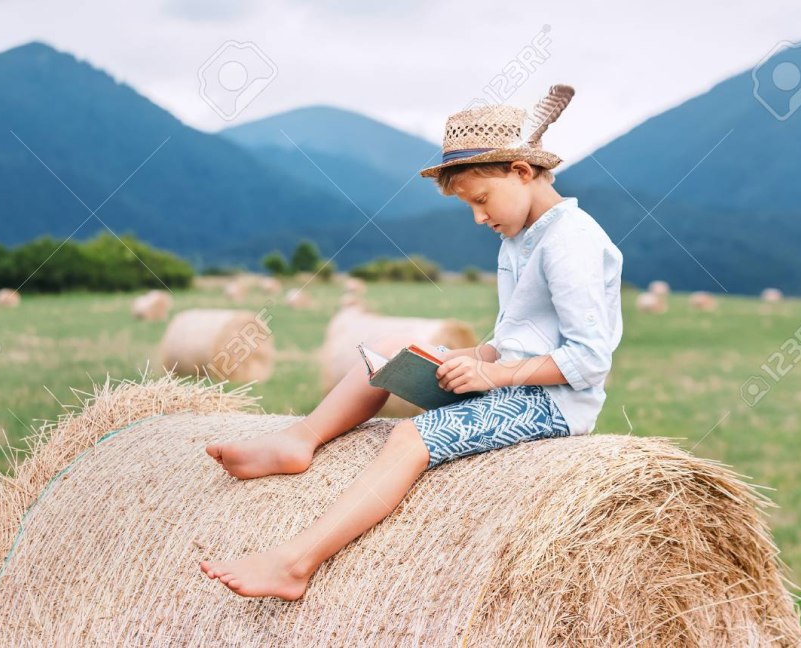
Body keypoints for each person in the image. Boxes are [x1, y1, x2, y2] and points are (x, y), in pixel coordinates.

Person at [200, 84, 623, 600]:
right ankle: (299, 440)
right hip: (510, 382)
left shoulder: (571, 242)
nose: (478, 217)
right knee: (392, 351)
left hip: (552, 404)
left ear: (521, 172)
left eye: (481, 200)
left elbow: (589, 359)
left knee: (409, 438)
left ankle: (295, 563)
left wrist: (495, 374)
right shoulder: (520, 239)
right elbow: (514, 340)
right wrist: (474, 357)